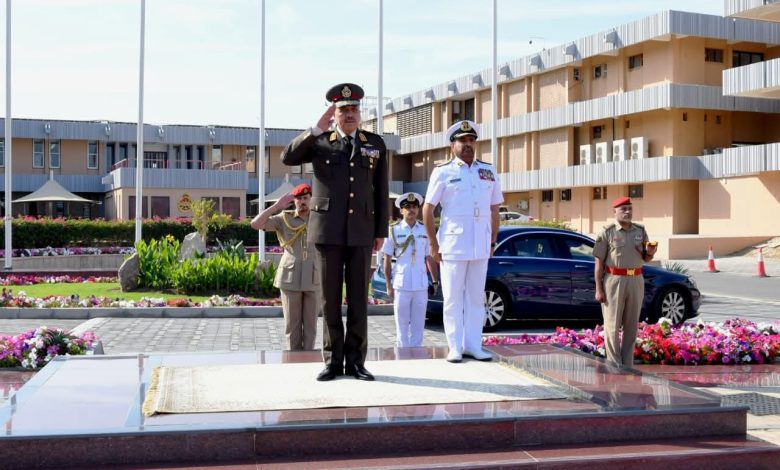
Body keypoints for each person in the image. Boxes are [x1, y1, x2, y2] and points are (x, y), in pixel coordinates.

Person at [281, 83, 389, 381]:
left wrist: (380, 230)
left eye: (354, 109)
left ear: (360, 113)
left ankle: (356, 362)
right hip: (327, 232)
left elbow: (381, 191)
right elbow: (287, 157)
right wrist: (316, 128)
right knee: (329, 300)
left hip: (361, 231)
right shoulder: (320, 142)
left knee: (358, 299)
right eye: (343, 110)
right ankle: (332, 361)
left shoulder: (374, 144)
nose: (350, 114)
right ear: (334, 114)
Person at [422, 120, 503, 363]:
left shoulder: (488, 171)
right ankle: (455, 346)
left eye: (471, 141)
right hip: (453, 245)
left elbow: (494, 209)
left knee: (477, 298)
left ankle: (473, 345)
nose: (467, 145)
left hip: (480, 244)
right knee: (453, 298)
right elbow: (428, 209)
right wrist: (433, 244)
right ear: (452, 145)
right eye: (462, 141)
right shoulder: (443, 171)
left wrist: (492, 241)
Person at [250, 183, 319, 351]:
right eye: (299, 199)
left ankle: (308, 359)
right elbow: (255, 224)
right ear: (294, 201)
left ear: (311, 199)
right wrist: (276, 206)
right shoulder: (284, 218)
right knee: (292, 326)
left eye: (305, 198)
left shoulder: (320, 218)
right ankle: (294, 359)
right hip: (290, 276)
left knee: (311, 326)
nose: (302, 202)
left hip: (314, 276)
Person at [593, 196, 658, 367]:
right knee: (612, 325)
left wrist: (650, 253)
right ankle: (614, 365)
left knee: (631, 325)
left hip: (636, 279)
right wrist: (599, 289)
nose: (627, 212)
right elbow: (599, 263)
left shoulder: (640, 231)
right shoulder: (607, 232)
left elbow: (645, 258)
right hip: (614, 280)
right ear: (614, 211)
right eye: (623, 209)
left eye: (630, 208)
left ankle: (628, 365)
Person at [381, 192, 439, 348]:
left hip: (420, 284)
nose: (411, 210)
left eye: (414, 207)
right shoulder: (393, 231)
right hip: (401, 284)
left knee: (418, 325)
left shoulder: (424, 230)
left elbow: (429, 257)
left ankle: (417, 354)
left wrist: (435, 280)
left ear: (418, 209)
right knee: (401, 326)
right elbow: (387, 259)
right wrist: (388, 284)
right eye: (407, 207)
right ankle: (402, 354)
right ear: (401, 210)